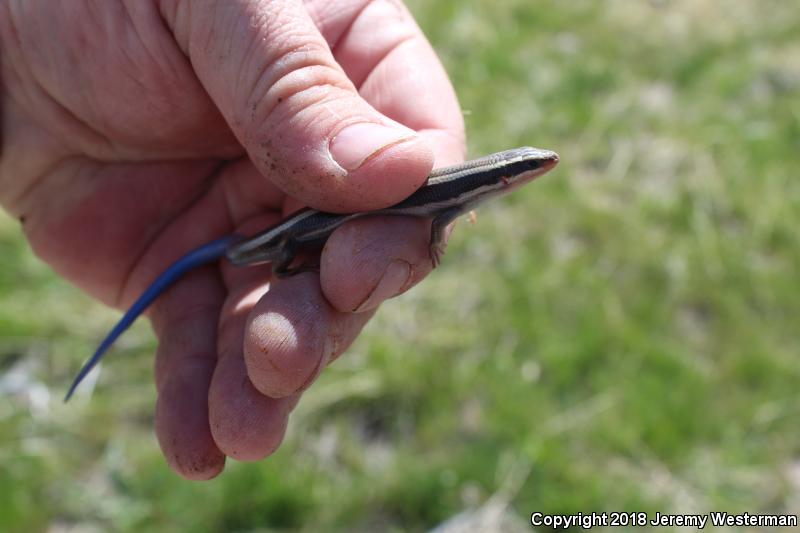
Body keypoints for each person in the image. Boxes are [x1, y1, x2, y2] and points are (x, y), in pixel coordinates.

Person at [0, 0, 465, 479]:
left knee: (288, 346)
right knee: (299, 277)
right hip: (283, 240)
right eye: (531, 166)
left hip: (280, 229)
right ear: (507, 178)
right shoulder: (457, 194)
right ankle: (289, 268)